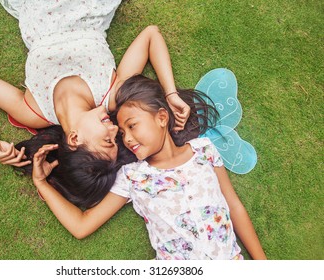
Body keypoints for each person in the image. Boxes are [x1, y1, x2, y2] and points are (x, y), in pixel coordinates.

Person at [31, 75, 267, 260]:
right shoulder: (132, 177)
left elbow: (234, 206)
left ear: (162, 118)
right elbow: (81, 226)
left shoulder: (203, 150)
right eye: (122, 133)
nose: (127, 138)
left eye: (132, 126)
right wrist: (41, 183)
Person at [0, 0, 190, 167]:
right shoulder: (111, 95)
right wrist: (170, 94)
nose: (113, 127)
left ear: (74, 139)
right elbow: (151, 35)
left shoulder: (34, 111)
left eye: (107, 139)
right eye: (116, 135)